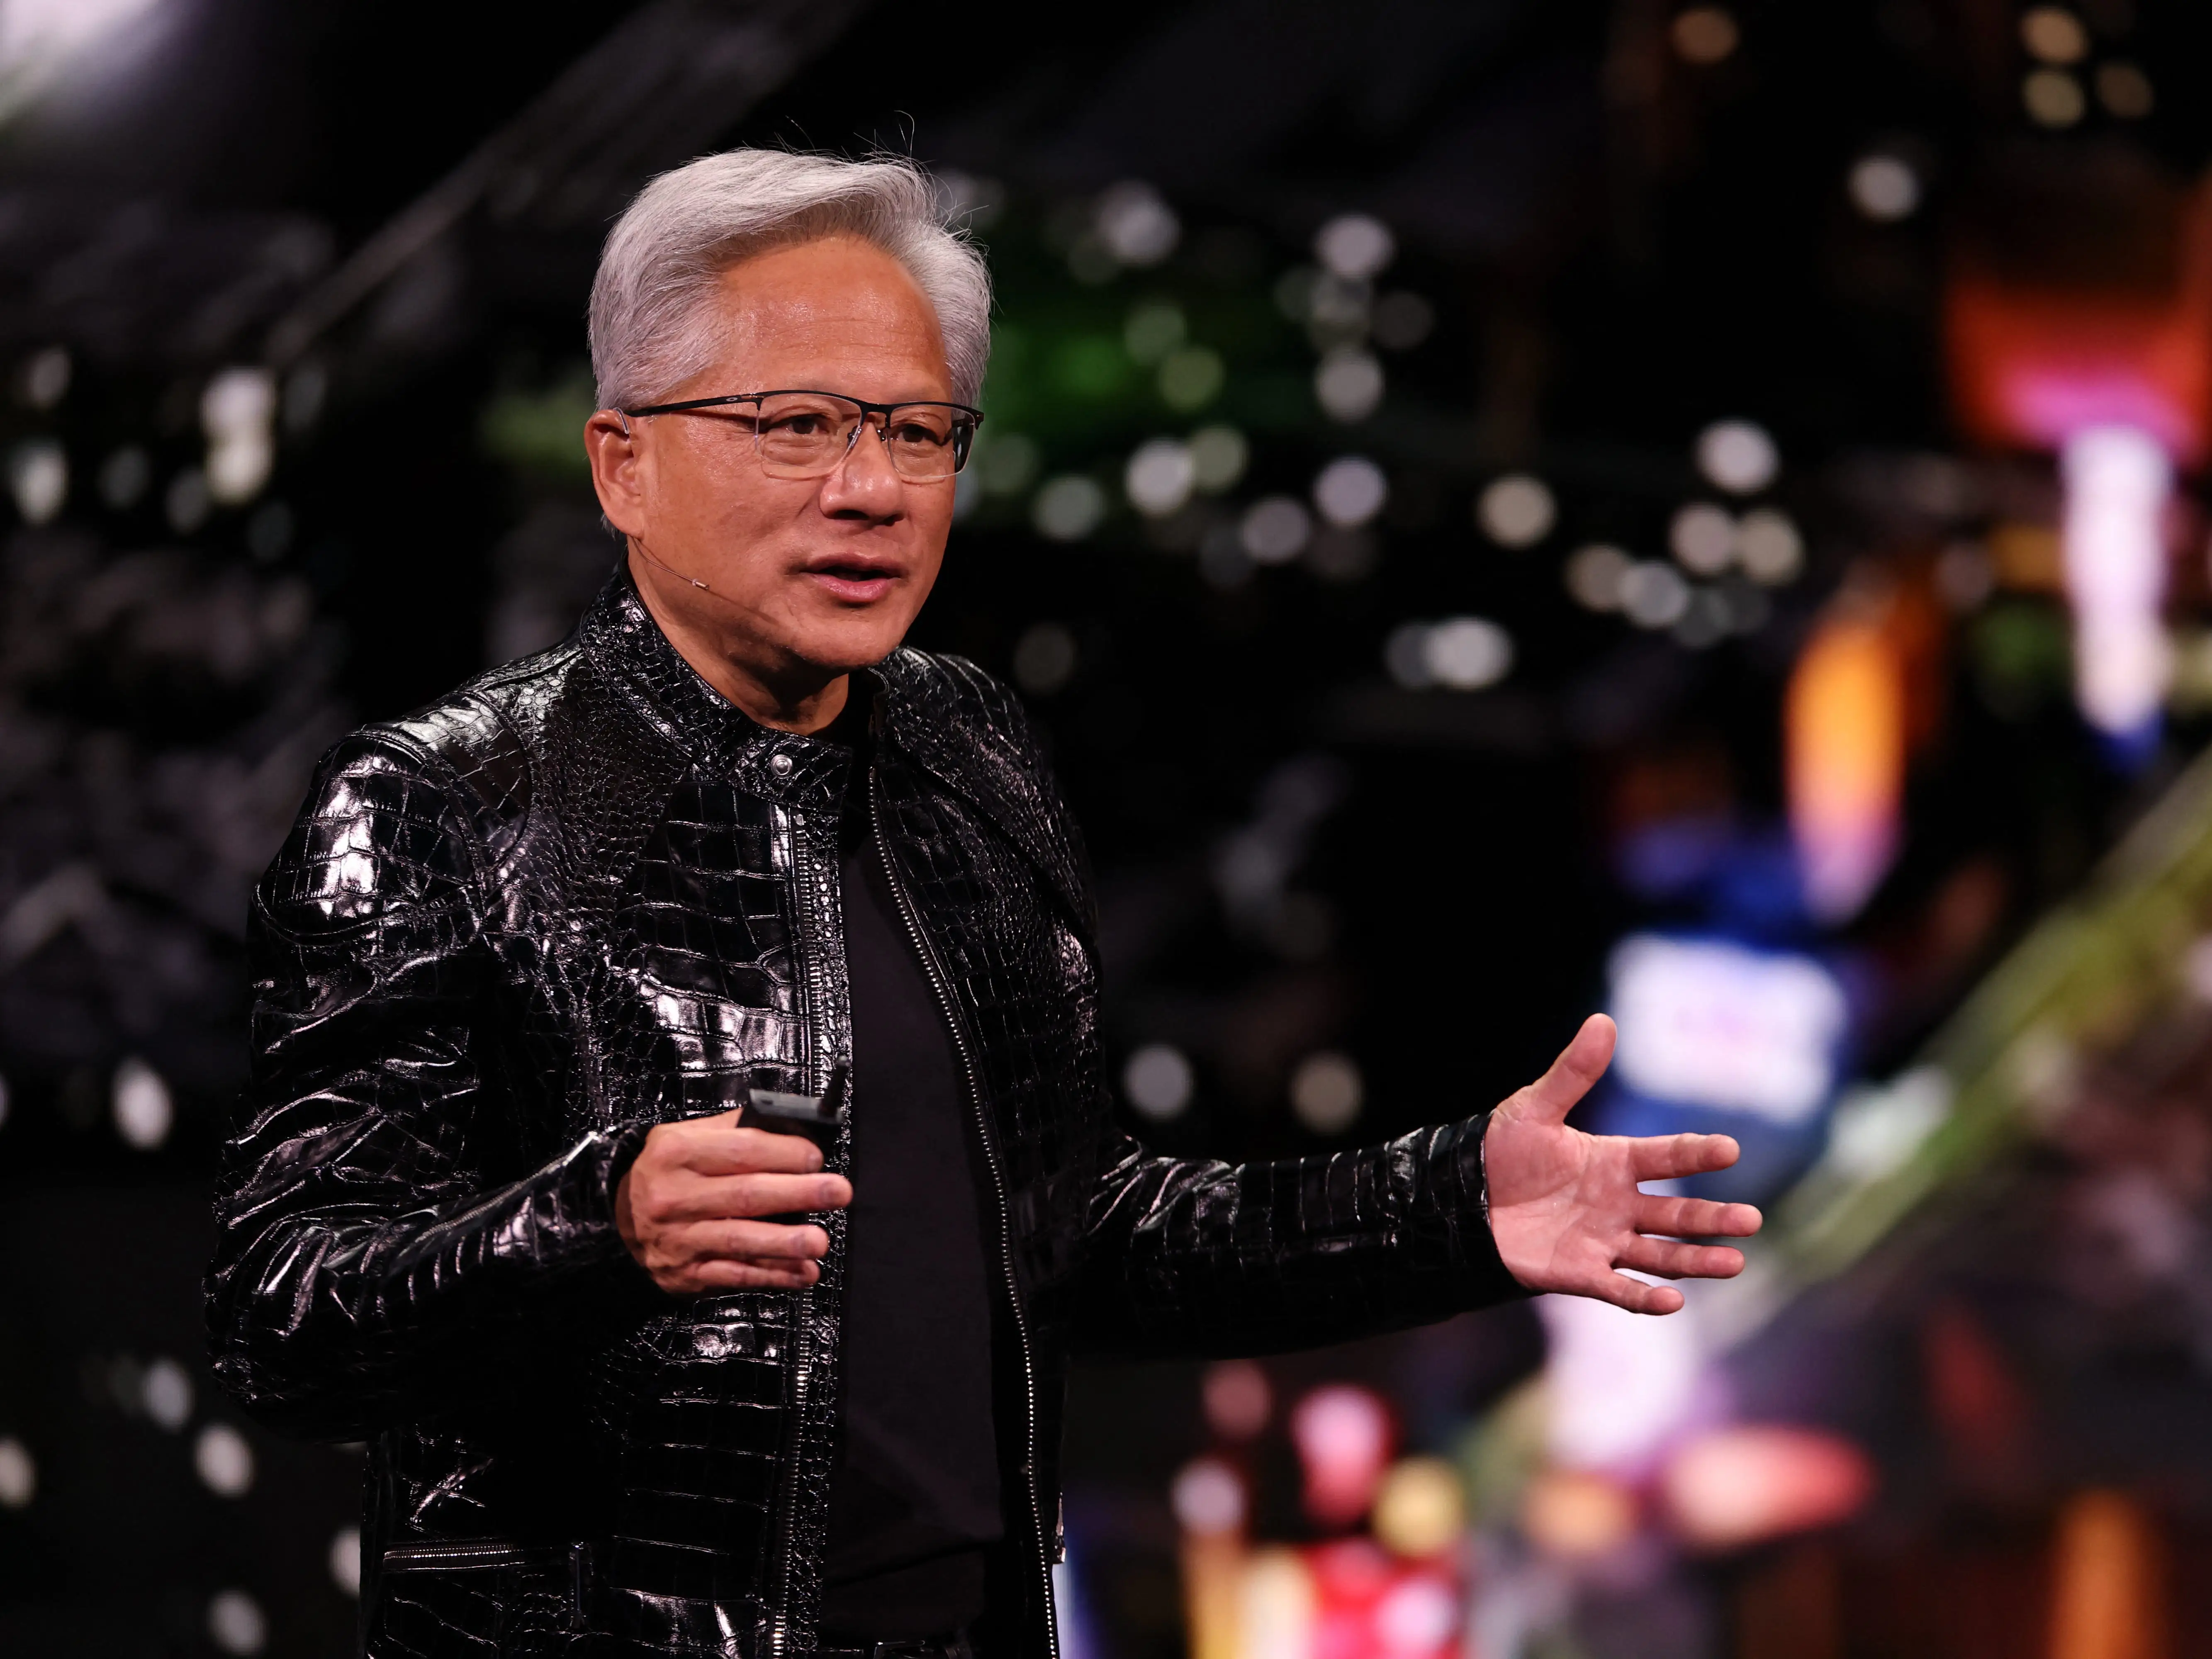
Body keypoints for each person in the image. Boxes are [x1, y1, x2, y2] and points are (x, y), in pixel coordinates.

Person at [207, 149, 1760, 1659]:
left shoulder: (968, 753)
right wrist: (594, 1227)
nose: (871, 489)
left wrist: (1446, 1207)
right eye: (796, 424)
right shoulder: (436, 804)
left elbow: (1073, 1232)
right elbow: (282, 1319)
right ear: (624, 463)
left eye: (917, 430)